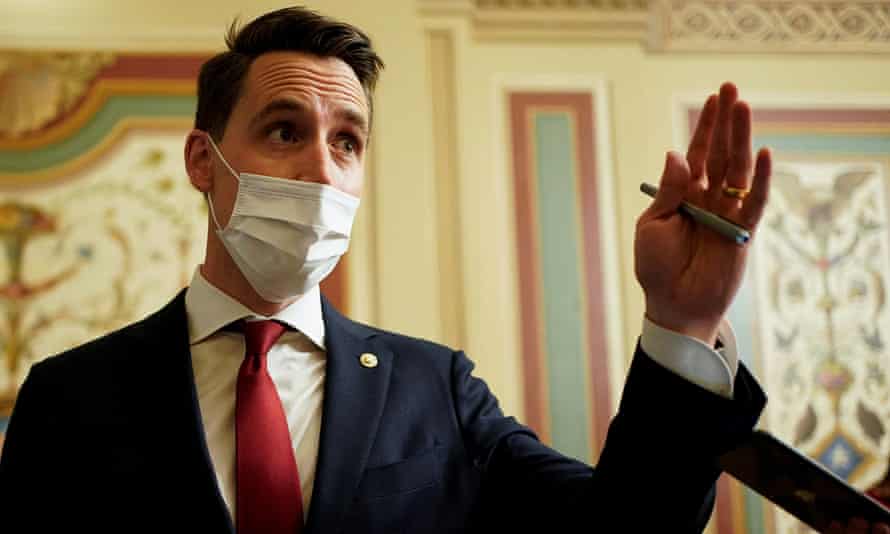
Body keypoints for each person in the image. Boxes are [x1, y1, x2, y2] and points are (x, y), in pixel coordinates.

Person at [0, 6, 883, 534]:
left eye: (346, 142)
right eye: (283, 130)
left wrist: (683, 325)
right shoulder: (70, 397)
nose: (320, 167)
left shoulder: (435, 388)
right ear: (203, 160)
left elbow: (624, 531)